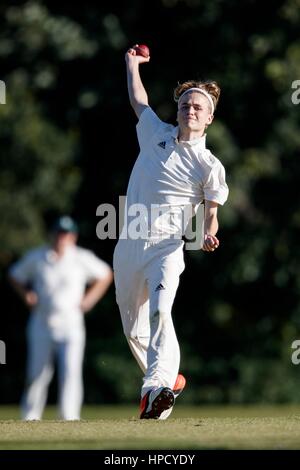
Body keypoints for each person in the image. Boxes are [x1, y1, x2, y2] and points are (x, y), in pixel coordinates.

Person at [113, 45, 229, 420]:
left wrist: (209, 234)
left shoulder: (209, 165)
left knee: (162, 313)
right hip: (129, 244)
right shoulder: (154, 134)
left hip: (166, 247)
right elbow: (138, 99)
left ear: (209, 118)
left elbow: (211, 214)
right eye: (185, 105)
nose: (189, 110)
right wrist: (133, 65)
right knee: (133, 330)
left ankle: (154, 392)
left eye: (198, 107)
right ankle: (167, 381)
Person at [9, 215, 113, 420]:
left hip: (71, 323)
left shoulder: (81, 258)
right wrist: (26, 295)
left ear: (73, 236)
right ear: (52, 235)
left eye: (66, 234)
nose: (61, 238)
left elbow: (105, 274)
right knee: (37, 373)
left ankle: (69, 416)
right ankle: (30, 417)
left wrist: (89, 300)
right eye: (58, 233)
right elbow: (15, 275)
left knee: (71, 373)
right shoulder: (37, 257)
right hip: (41, 322)